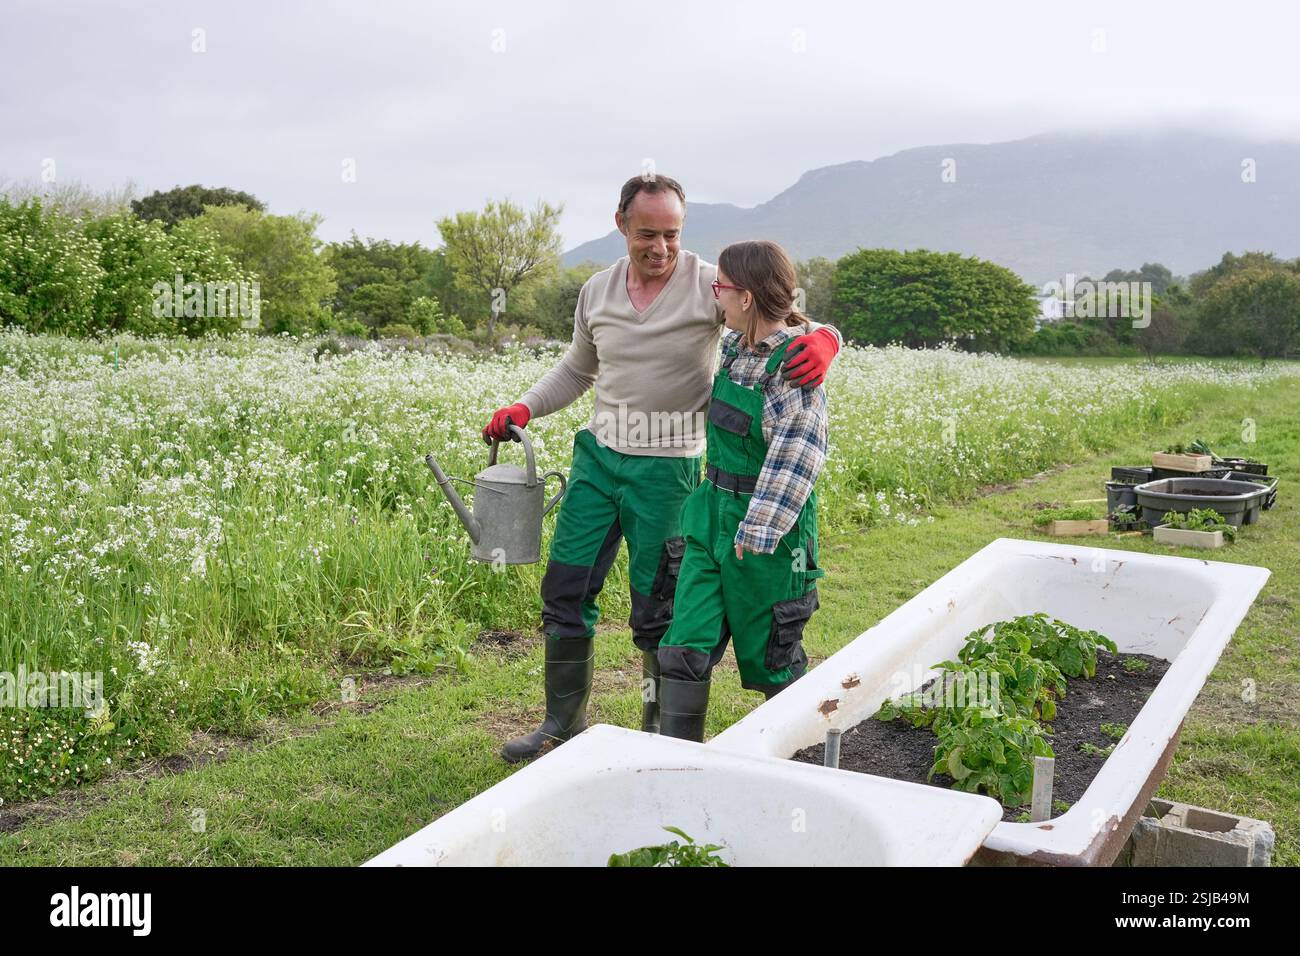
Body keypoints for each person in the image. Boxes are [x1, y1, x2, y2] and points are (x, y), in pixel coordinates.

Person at [482, 175, 842, 763]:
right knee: (565, 589)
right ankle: (561, 724)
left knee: (658, 611)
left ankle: (656, 735)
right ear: (621, 223)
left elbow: (781, 318)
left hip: (668, 472)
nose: (660, 247)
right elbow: (578, 369)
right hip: (598, 460)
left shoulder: (711, 284)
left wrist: (828, 338)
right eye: (647, 233)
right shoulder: (596, 291)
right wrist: (524, 406)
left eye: (672, 234)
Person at [656, 240, 829, 741]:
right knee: (684, 645)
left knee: (772, 657)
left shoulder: (793, 370)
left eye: (723, 288)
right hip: (711, 515)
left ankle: (801, 762)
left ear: (747, 298)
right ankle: (677, 763)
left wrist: (755, 533)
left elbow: (799, 458)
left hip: (769, 535)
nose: (717, 297)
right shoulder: (735, 347)